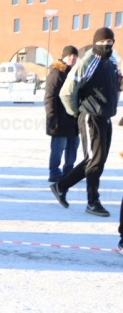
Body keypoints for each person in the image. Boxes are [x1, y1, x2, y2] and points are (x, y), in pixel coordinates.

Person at [50, 27, 120, 217]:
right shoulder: (89, 61)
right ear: (95, 42)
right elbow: (67, 91)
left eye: (109, 42)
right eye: (102, 42)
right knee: (94, 160)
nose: (106, 45)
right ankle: (92, 201)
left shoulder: (111, 62)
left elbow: (116, 86)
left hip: (105, 117)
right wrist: (75, 112)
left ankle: (61, 186)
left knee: (98, 160)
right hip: (90, 116)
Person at [44, 46, 80, 183]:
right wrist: (52, 116)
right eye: (69, 56)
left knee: (73, 145)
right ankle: (54, 172)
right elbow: (50, 97)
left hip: (74, 118)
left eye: (75, 56)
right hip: (60, 118)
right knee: (59, 147)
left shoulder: (75, 73)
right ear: (63, 57)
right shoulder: (57, 73)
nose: (72, 58)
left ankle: (69, 171)